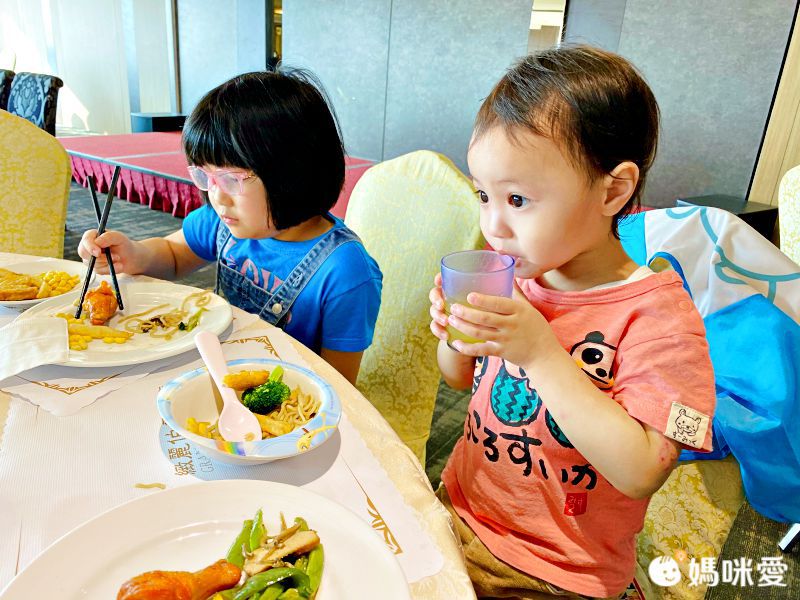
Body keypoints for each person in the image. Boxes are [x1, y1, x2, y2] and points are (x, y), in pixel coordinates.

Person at [428, 46, 716, 599]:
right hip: (459, 512)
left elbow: (642, 469)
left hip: (557, 568)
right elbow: (459, 379)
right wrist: (453, 337)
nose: (493, 225)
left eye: (517, 199)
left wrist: (540, 353)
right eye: (483, 195)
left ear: (612, 190)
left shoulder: (658, 319)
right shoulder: (518, 277)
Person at [78, 69, 382, 385]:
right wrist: (132, 255)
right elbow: (173, 253)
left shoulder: (344, 273)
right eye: (204, 177)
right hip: (217, 369)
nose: (216, 195)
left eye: (229, 179)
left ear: (293, 175)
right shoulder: (224, 220)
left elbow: (339, 386)